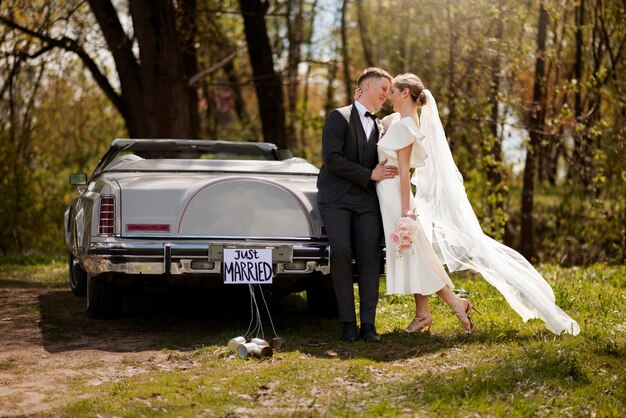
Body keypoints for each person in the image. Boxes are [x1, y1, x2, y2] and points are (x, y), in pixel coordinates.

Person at [376, 73, 580, 336]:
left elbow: (404, 171)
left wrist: (405, 212)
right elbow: (381, 124)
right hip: (392, 196)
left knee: (418, 257)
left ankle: (441, 309)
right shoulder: (403, 121)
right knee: (419, 257)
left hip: (398, 198)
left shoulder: (405, 126)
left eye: (393, 91)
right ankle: (435, 311)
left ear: (405, 93)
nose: (389, 96)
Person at [317, 67, 398, 342]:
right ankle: (347, 323)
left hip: (366, 200)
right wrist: (369, 174)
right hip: (336, 197)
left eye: (389, 92)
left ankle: (368, 325)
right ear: (365, 87)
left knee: (370, 255)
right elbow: (333, 159)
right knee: (340, 251)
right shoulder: (337, 117)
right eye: (384, 90)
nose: (386, 96)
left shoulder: (379, 125)